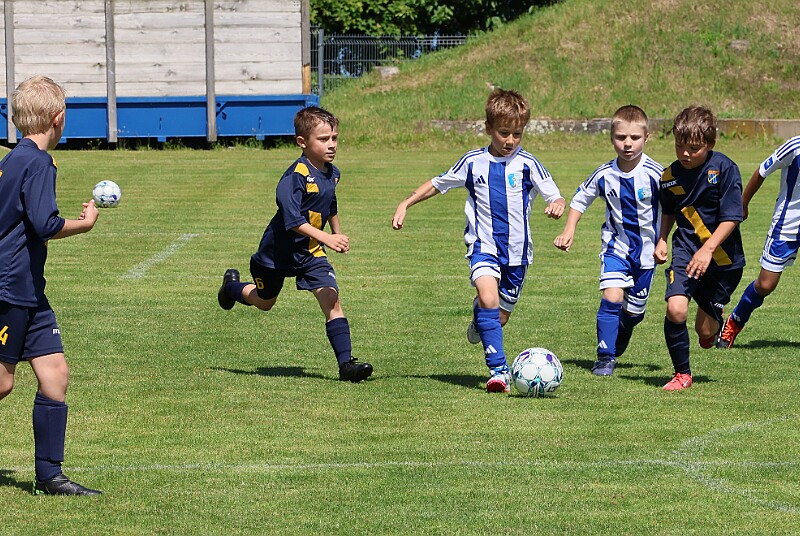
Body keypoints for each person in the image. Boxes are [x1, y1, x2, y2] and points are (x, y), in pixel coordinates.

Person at [392, 89, 565, 393]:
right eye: (503, 133)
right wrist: (406, 203)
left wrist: (557, 205)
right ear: (488, 128)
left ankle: (479, 318)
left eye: (517, 134)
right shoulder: (473, 162)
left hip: (518, 253)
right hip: (483, 246)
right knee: (488, 298)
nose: (510, 140)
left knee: (499, 317)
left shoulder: (528, 164)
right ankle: (499, 371)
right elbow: (437, 184)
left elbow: (555, 195)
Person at [217, 106, 372, 383]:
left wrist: (337, 233)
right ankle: (230, 288)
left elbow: (330, 204)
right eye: (323, 139)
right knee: (264, 303)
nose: (332, 144)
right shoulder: (294, 178)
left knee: (331, 299)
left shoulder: (332, 173)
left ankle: (346, 365)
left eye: (334, 138)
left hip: (310, 253)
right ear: (302, 142)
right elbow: (293, 221)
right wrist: (328, 238)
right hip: (275, 255)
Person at [0, 75, 102, 495]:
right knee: (3, 382)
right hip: (9, 287)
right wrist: (84, 224)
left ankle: (50, 476)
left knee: (55, 373)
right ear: (58, 118)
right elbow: (45, 224)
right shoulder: (39, 162)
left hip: (29, 289)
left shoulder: (14, 158)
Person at [554, 105, 663, 376]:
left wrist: (665, 241)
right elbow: (580, 199)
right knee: (612, 297)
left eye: (635, 138)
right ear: (612, 137)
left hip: (647, 253)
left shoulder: (657, 174)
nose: (628, 144)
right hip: (615, 247)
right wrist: (569, 230)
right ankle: (605, 357)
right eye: (621, 137)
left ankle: (621, 329)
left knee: (634, 313)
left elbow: (674, 208)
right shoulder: (604, 174)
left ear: (646, 138)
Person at [654, 106, 745, 390]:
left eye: (694, 148)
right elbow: (668, 210)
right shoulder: (669, 176)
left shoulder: (725, 169)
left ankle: (714, 321)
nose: (685, 153)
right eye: (679, 146)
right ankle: (682, 374)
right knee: (676, 309)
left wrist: (708, 250)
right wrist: (662, 238)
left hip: (724, 260)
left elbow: (732, 216)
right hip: (686, 250)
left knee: (705, 333)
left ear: (710, 144)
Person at [717, 136, 800, 348]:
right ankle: (735, 321)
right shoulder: (794, 147)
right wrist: (743, 204)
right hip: (787, 226)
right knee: (765, 284)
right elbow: (762, 171)